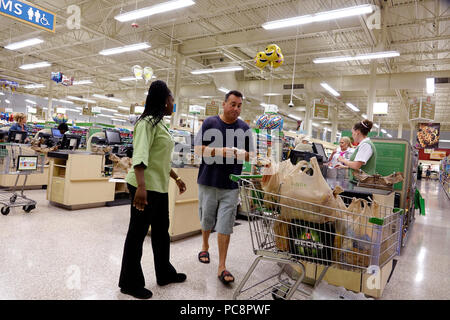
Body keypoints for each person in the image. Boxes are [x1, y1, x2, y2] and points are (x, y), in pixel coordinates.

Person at [119, 80, 187, 299]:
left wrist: (176, 178)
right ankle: (129, 283)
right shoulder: (146, 123)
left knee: (161, 233)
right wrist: (140, 187)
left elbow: (161, 160)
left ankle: (164, 273)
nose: (173, 104)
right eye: (172, 99)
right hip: (143, 186)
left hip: (159, 186)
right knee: (137, 234)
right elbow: (140, 156)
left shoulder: (161, 124)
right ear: (164, 100)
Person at [194, 90, 254, 286]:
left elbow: (251, 156)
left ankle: (222, 265)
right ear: (224, 104)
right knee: (207, 218)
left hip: (230, 184)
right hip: (208, 180)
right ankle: (204, 245)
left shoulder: (244, 128)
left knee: (226, 224)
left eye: (239, 106)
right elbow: (196, 149)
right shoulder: (210, 123)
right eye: (233, 104)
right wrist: (218, 151)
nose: (236, 109)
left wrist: (240, 153)